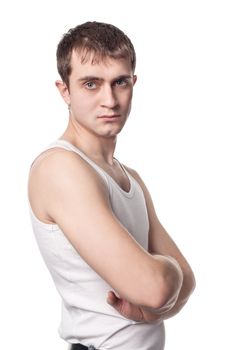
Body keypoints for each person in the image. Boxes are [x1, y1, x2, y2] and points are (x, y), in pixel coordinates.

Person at [28, 21, 195, 350]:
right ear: (65, 90)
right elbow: (159, 287)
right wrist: (170, 277)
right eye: (91, 84)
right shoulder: (59, 167)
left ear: (133, 83)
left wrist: (160, 297)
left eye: (119, 82)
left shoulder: (130, 177)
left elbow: (186, 285)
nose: (110, 100)